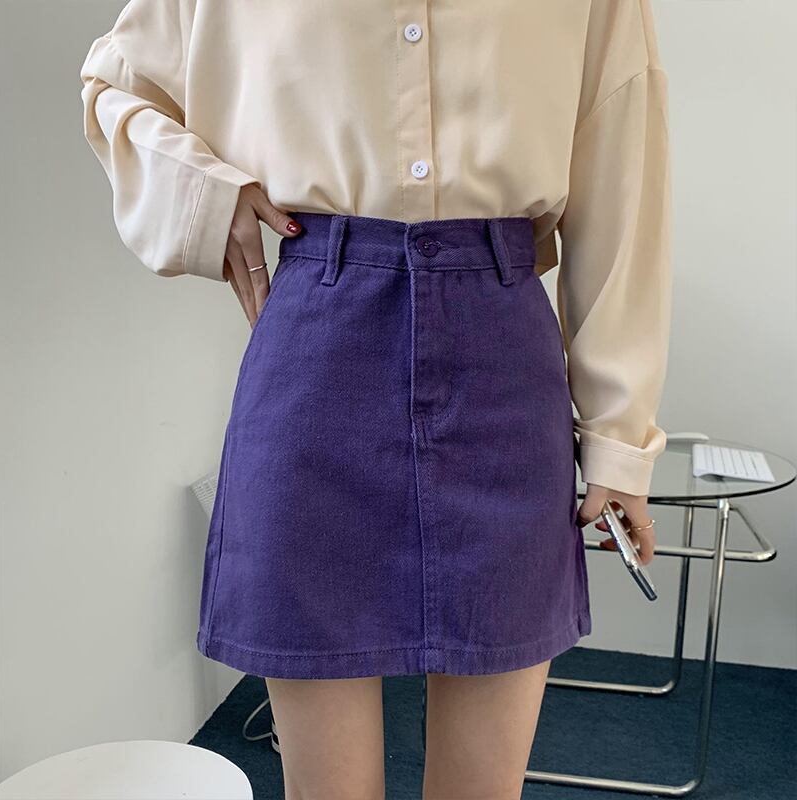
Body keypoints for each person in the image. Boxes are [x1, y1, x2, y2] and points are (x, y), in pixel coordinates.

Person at [79, 1, 671, 798]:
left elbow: (624, 170)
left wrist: (619, 437)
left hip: (503, 356)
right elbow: (115, 89)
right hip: (318, 348)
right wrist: (209, 194)